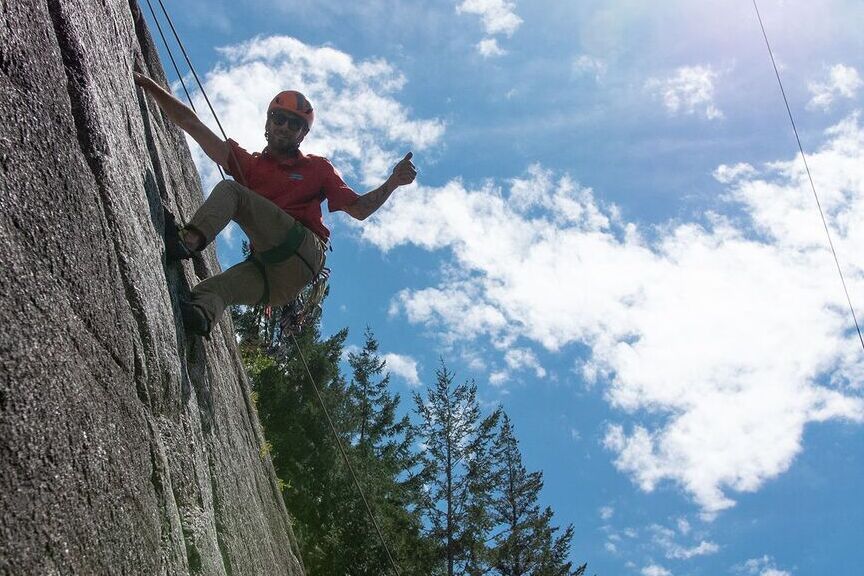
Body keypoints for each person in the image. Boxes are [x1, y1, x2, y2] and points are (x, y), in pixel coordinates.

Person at [133, 71, 417, 336]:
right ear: (268, 122)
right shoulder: (250, 165)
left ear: (302, 134)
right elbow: (192, 125)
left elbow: (358, 209)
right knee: (212, 289)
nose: (284, 127)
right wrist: (150, 87)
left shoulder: (317, 168)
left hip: (305, 250)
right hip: (276, 278)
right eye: (278, 118)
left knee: (232, 192)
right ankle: (201, 316)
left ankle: (188, 241)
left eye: (295, 124)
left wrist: (392, 183)